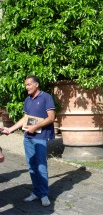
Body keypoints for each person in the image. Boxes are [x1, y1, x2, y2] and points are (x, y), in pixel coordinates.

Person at [2, 75, 56, 207]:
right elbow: (25, 118)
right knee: (32, 166)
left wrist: (36, 127)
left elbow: (51, 118)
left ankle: (43, 194)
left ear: (36, 85)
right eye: (26, 85)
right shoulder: (27, 99)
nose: (26, 87)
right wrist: (10, 129)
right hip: (28, 138)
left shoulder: (46, 97)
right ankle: (36, 192)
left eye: (28, 84)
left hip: (40, 138)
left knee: (41, 166)